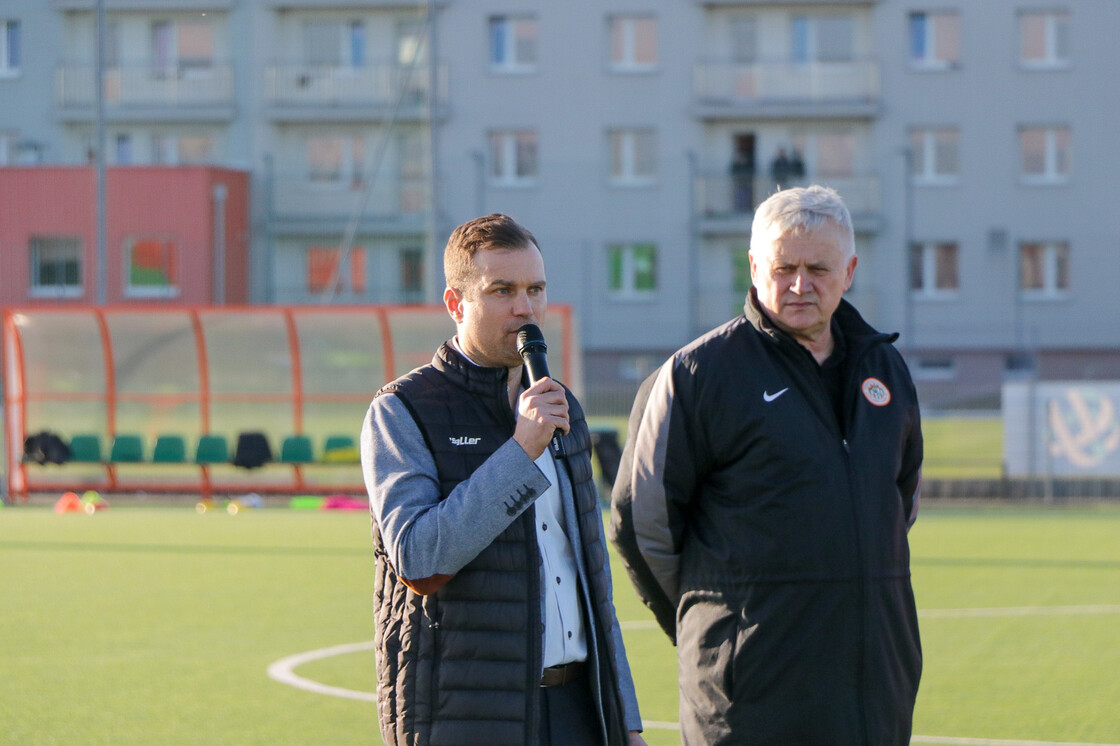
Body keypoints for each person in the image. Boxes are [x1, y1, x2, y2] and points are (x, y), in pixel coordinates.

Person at [610, 185, 923, 745]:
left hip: (875, 688)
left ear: (849, 271)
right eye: (784, 267)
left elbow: (897, 501)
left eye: (819, 268)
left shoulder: (886, 369)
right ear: (754, 267)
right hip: (747, 699)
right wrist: (715, 622)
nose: (801, 285)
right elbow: (641, 525)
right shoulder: (696, 376)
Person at [361, 213, 647, 746]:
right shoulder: (402, 410)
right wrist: (521, 450)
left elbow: (592, 580)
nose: (526, 308)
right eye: (502, 290)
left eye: (535, 289)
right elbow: (419, 558)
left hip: (578, 709)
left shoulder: (562, 407)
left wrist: (625, 718)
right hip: (466, 715)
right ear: (455, 303)